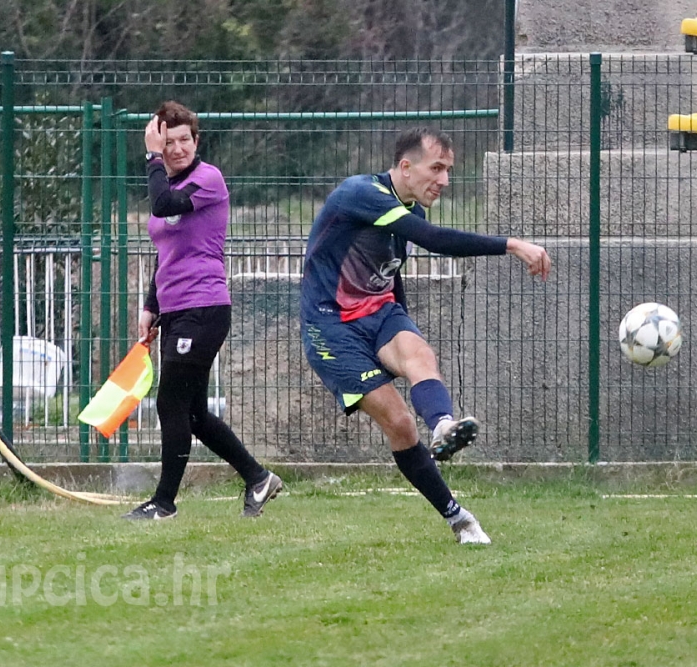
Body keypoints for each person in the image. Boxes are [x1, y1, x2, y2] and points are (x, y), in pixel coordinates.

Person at [300, 127, 551, 544]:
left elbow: (390, 275)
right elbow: (435, 240)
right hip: (332, 326)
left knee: (420, 354)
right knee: (399, 424)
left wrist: (402, 326)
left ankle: (443, 426)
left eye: (448, 170)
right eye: (437, 168)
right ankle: (458, 518)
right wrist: (512, 245)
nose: (445, 180)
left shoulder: (409, 213)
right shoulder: (360, 193)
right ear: (405, 166)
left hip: (379, 314)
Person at [123, 101, 282, 520]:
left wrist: (151, 156)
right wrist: (150, 305)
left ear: (196, 141)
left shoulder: (207, 179)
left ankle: (164, 503)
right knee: (191, 411)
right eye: (167, 141)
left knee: (170, 404)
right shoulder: (167, 184)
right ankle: (258, 478)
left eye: (182, 140)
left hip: (205, 309)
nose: (176, 149)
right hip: (175, 310)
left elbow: (162, 207)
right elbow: (166, 252)